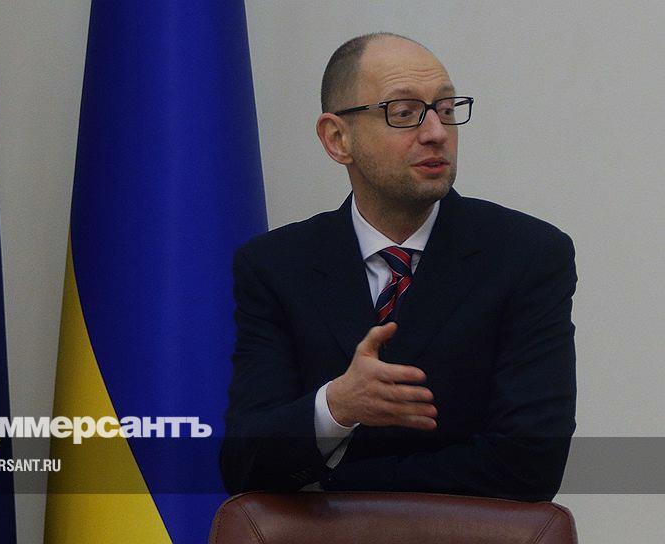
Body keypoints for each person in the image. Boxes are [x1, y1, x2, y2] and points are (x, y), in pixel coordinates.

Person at [220, 32, 576, 502]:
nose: (436, 133)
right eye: (404, 113)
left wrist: (330, 482)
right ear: (337, 138)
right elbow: (244, 463)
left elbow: (531, 464)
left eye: (446, 109)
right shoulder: (275, 265)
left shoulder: (527, 255)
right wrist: (336, 406)